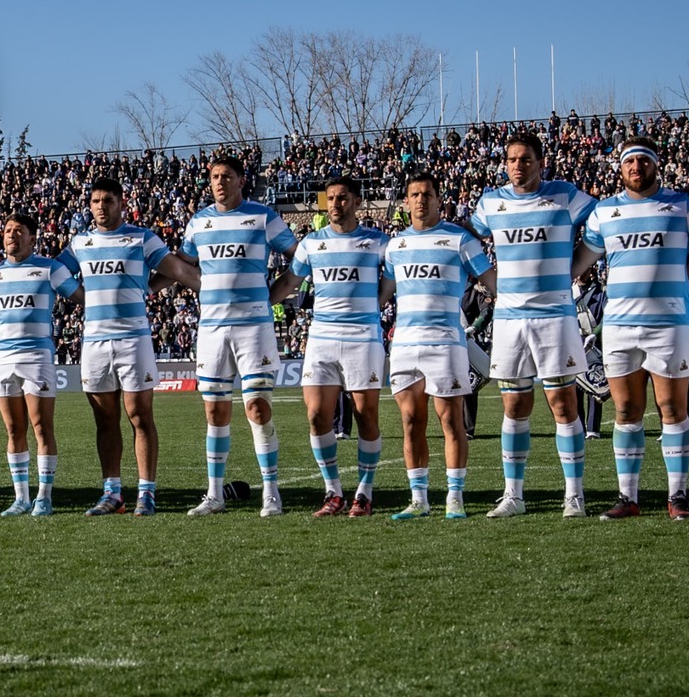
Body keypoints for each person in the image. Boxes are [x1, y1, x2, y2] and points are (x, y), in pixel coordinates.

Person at [466, 132, 601, 518]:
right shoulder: (490, 203)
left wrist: (576, 267)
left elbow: (604, 223)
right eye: (511, 159)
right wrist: (484, 277)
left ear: (541, 162)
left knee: (562, 404)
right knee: (514, 405)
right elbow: (465, 238)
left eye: (526, 159)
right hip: (509, 319)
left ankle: (573, 495)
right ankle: (514, 495)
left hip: (554, 317)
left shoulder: (566, 196)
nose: (518, 166)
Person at [581, 138, 689, 520]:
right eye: (630, 161)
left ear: (656, 165)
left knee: (671, 407)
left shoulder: (684, 206)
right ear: (620, 169)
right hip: (619, 325)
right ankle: (628, 497)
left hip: (670, 323)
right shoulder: (603, 213)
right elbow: (581, 259)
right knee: (625, 410)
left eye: (643, 161)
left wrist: (680, 273)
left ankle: (678, 496)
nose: (637, 167)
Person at [180, 154, 297, 516]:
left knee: (258, 408)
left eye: (226, 176)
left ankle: (271, 492)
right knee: (215, 413)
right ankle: (214, 494)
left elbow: (299, 257)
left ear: (241, 180)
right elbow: (182, 265)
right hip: (212, 330)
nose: (219, 182)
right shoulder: (198, 222)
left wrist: (273, 294)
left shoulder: (263, 217)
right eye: (214, 176)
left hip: (253, 328)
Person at [63, 176, 186, 516]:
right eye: (96, 201)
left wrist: (149, 288)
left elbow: (174, 269)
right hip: (95, 342)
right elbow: (53, 272)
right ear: (89, 206)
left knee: (139, 416)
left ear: (122, 203)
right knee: (104, 419)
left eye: (109, 200)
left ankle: (146, 493)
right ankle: (112, 493)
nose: (102, 206)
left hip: (134, 339)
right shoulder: (80, 243)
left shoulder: (141, 238)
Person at [385, 174, 496, 519]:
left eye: (427, 194)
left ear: (438, 199)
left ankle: (455, 498)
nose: (421, 200)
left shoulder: (459, 240)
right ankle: (418, 499)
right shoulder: (394, 246)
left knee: (451, 422)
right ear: (406, 203)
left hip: (445, 344)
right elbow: (383, 293)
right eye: (414, 194)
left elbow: (492, 282)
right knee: (410, 422)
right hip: (404, 344)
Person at [288, 176, 391, 517]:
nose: (334, 204)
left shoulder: (378, 242)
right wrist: (255, 305)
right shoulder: (311, 244)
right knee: (317, 415)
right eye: (330, 198)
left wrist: (374, 306)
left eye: (342, 198)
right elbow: (290, 281)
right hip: (322, 338)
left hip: (363, 338)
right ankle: (333, 492)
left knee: (366, 415)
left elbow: (392, 281)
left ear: (357, 202)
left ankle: (364, 491)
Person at [0, 211, 79, 516]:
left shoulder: (50, 269)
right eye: (8, 230)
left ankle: (44, 497)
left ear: (32, 237)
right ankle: (21, 498)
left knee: (41, 426)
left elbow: (81, 297)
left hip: (37, 357)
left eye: (19, 230)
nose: (12, 235)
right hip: (3, 358)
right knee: (13, 430)